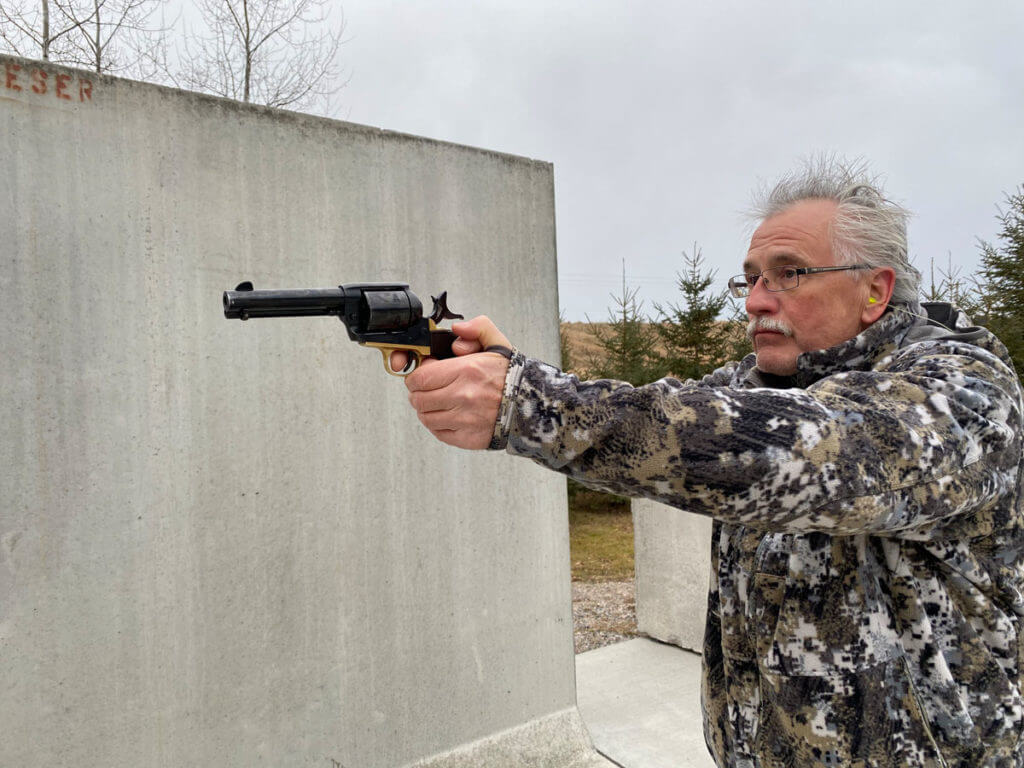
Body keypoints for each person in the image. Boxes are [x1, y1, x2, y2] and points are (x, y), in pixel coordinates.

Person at [393, 159, 1024, 767]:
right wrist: (509, 367)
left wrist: (527, 400)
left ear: (875, 289)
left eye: (790, 274)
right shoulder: (763, 382)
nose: (755, 301)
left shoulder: (964, 390)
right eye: (749, 278)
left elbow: (802, 450)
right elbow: (665, 415)